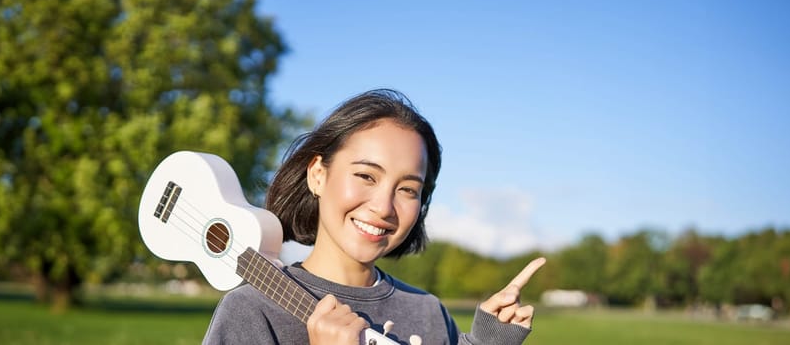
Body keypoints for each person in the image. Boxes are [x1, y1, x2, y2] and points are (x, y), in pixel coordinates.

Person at [203, 89, 545, 344]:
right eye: (366, 176)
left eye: (408, 189)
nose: (384, 207)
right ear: (318, 175)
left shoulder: (428, 312)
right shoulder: (251, 311)